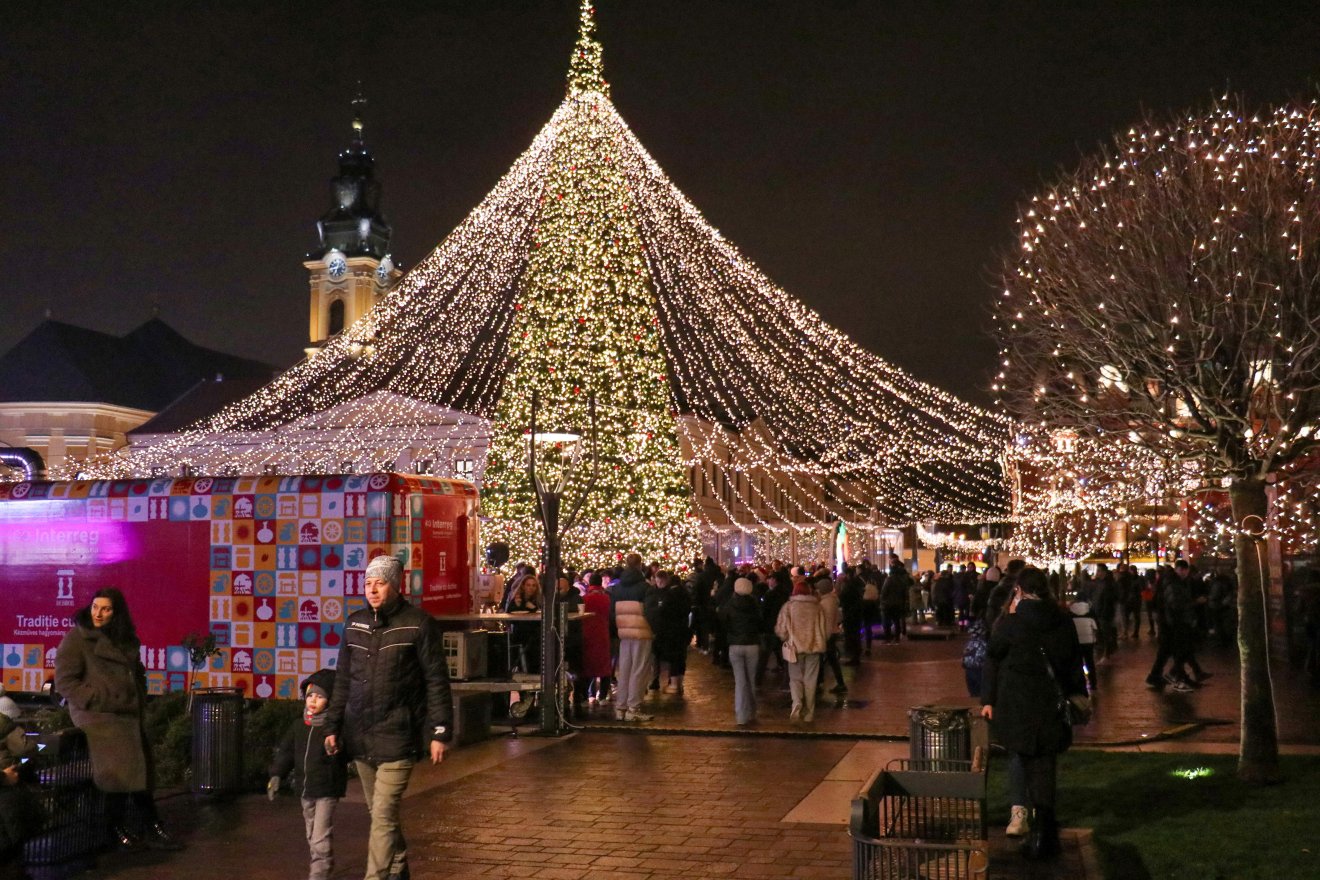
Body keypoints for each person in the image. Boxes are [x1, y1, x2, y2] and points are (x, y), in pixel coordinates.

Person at [325, 555, 452, 880]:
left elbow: (436, 680)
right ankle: (398, 873)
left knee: (382, 815)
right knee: (381, 815)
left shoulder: (418, 624)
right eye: (368, 583)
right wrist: (333, 725)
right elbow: (343, 679)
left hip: (398, 736)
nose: (372, 589)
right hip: (361, 735)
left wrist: (440, 732)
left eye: (380, 583)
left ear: (395, 585)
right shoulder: (354, 623)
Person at [53, 587, 181, 852]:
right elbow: (65, 682)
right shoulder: (76, 639)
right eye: (95, 607)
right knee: (120, 769)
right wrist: (96, 699)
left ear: (117, 612)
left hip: (126, 713)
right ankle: (124, 826)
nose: (99, 614)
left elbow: (137, 673)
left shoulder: (125, 639)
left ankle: (146, 824)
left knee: (138, 768)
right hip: (97, 715)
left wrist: (139, 695)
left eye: (106, 609)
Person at [980, 568, 1086, 859]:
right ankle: (1046, 831)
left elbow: (992, 655)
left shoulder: (1013, 622)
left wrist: (988, 698)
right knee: (1045, 764)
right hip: (1051, 704)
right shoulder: (1062, 619)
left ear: (1020, 591)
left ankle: (1028, 821)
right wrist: (1078, 694)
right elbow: (1073, 660)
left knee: (1023, 759)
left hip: (1018, 704)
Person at [267, 669, 349, 880]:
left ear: (329, 701)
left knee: (320, 836)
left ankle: (318, 873)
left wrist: (335, 748)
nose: (313, 700)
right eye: (310, 695)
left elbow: (345, 752)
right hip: (305, 789)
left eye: (320, 696)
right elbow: (285, 753)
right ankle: (324, 863)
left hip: (327, 789)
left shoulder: (333, 728)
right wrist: (277, 775)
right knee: (311, 834)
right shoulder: (298, 726)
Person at [775, 580, 829, 724]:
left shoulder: (788, 607)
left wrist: (787, 638)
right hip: (814, 647)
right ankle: (809, 712)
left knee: (795, 679)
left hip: (794, 648)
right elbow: (824, 630)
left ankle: (797, 702)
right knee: (811, 680)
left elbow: (781, 630)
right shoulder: (817, 608)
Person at [610, 554, 655, 722]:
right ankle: (634, 707)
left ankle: (620, 707)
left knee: (625, 670)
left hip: (624, 632)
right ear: (640, 565)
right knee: (639, 669)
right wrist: (654, 629)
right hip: (642, 631)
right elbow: (650, 612)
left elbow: (612, 612)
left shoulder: (617, 588)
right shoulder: (645, 587)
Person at [719, 577, 764, 725]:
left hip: (735, 644)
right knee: (750, 679)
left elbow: (723, 623)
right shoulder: (755, 605)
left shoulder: (730, 605)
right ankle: (751, 712)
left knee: (740, 681)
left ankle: (741, 715)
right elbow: (760, 622)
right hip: (752, 644)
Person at [579, 573, 614, 705]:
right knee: (604, 665)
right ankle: (603, 695)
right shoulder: (607, 598)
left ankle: (590, 694)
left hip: (587, 634)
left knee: (589, 664)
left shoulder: (584, 598)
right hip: (603, 634)